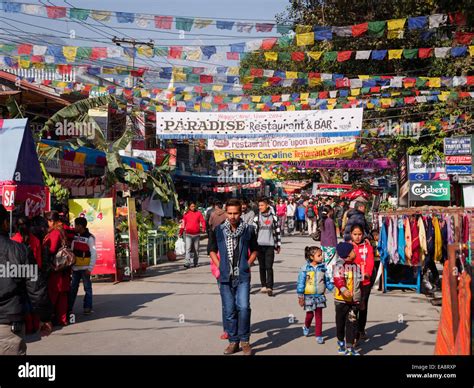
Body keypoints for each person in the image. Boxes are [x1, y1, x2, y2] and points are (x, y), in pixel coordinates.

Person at [0, 205, 52, 355]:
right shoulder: (20, 250)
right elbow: (36, 289)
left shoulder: (22, 249)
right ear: (5, 223)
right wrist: (45, 317)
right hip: (8, 327)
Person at [208, 199, 258, 355]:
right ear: (225, 212)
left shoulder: (248, 230)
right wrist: (220, 265)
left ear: (241, 212)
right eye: (229, 213)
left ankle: (245, 341)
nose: (232, 216)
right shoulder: (218, 230)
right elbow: (211, 250)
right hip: (224, 277)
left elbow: (255, 250)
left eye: (235, 213)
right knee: (229, 310)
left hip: (242, 276)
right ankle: (233, 341)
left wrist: (247, 264)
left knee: (243, 307)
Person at [11, 217, 43, 334]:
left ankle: (29, 326)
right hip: (33, 273)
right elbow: (39, 261)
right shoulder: (35, 240)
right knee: (33, 300)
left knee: (23, 302)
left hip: (19, 274)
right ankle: (35, 325)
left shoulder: (14, 240)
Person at [297, 246, 333, 344]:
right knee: (309, 315)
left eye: (321, 255)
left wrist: (333, 289)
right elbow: (301, 283)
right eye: (319, 255)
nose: (321, 257)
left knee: (318, 316)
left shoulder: (323, 268)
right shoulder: (305, 269)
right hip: (308, 296)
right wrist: (300, 296)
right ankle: (306, 326)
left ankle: (318, 335)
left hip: (320, 296)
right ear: (312, 257)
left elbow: (327, 281)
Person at [333, 242, 362, 356]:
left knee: (351, 323)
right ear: (347, 254)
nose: (355, 252)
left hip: (353, 301)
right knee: (340, 323)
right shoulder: (339, 266)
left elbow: (359, 284)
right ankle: (340, 341)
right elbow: (337, 278)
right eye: (353, 250)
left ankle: (349, 348)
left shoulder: (356, 267)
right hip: (341, 301)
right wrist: (343, 288)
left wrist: (360, 298)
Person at [43, 211, 71, 327]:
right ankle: (63, 319)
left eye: (48, 221)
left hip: (56, 268)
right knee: (63, 295)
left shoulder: (55, 232)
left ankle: (50, 319)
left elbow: (52, 249)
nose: (47, 224)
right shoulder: (62, 229)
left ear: (52, 221)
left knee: (53, 294)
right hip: (64, 267)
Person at [350, 224, 374, 343]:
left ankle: (361, 329)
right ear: (351, 235)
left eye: (359, 234)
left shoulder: (368, 247)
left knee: (363, 306)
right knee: (353, 308)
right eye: (355, 234)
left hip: (365, 282)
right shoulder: (348, 247)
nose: (358, 237)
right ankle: (352, 332)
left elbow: (370, 262)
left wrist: (368, 273)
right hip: (352, 282)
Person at [69, 217, 97, 316]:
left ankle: (87, 307)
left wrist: (90, 268)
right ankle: (69, 308)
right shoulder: (74, 236)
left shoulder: (90, 238)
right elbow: (72, 251)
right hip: (75, 268)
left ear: (80, 226)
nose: (74, 227)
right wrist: (71, 267)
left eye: (75, 225)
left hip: (85, 269)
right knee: (73, 289)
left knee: (87, 288)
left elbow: (93, 254)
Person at [254, 197, 281, 297]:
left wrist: (278, 245)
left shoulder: (273, 218)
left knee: (269, 267)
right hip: (259, 246)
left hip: (270, 245)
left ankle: (270, 287)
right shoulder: (257, 217)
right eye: (259, 205)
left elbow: (277, 231)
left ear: (267, 205)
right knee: (262, 266)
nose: (260, 207)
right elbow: (254, 232)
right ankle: (263, 285)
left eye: (262, 205)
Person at [179, 202, 206, 268]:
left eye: (194, 206)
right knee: (188, 249)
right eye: (191, 206)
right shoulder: (186, 214)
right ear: (189, 207)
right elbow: (183, 224)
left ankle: (195, 262)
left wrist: (203, 228)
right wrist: (180, 232)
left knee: (196, 250)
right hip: (188, 234)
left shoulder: (198, 213)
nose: (193, 208)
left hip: (196, 234)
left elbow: (202, 221)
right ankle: (187, 262)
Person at [319, 206, 338, 281]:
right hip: (331, 244)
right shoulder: (330, 221)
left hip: (323, 244)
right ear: (330, 211)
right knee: (331, 262)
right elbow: (333, 234)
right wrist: (336, 245)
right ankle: (330, 277)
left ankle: (325, 276)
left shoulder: (322, 220)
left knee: (325, 261)